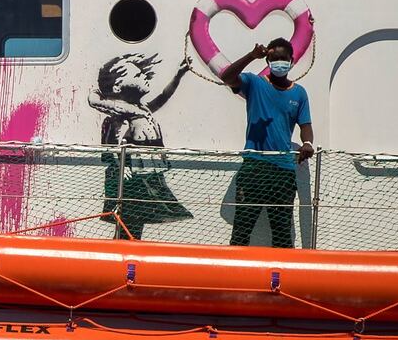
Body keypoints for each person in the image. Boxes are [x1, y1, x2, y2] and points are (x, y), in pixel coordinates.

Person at [219, 38, 314, 248]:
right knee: (241, 231)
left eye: (284, 58)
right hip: (254, 167)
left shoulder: (299, 93)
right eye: (274, 58)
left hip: (284, 171)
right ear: (268, 60)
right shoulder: (255, 83)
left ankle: (281, 279)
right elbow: (226, 77)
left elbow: (305, 125)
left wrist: (307, 143)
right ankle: (236, 278)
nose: (280, 62)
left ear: (292, 60)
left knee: (282, 235)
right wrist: (251, 56)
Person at [88, 54, 193, 239]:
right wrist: (122, 166)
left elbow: (163, 96)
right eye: (137, 76)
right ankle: (124, 252)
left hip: (147, 173)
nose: (144, 76)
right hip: (134, 176)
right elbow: (116, 140)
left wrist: (178, 76)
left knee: (138, 219)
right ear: (118, 87)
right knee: (130, 217)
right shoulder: (125, 112)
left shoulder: (142, 109)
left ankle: (129, 248)